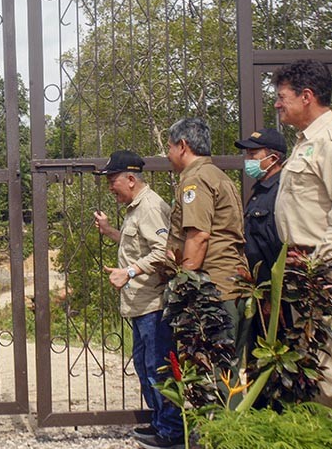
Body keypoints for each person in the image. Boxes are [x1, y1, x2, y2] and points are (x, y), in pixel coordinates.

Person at [272, 59, 332, 410]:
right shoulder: (306, 142)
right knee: (313, 357)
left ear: (307, 96)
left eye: (282, 97)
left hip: (324, 268)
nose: (278, 104)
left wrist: (317, 261)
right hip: (305, 266)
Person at [93, 151, 181, 449]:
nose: (109, 187)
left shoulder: (151, 207)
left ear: (131, 179)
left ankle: (171, 432)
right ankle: (160, 423)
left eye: (112, 180)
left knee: (158, 367)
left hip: (153, 304)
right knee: (146, 366)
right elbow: (139, 245)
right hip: (140, 304)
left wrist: (128, 272)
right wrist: (109, 232)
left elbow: (163, 252)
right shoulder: (135, 208)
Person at [165, 118, 249, 362]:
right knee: (229, 373)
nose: (168, 155)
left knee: (216, 375)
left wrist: (184, 287)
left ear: (182, 146)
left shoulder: (196, 180)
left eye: (169, 148)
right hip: (231, 285)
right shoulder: (217, 175)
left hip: (214, 292)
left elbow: (198, 236)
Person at [235, 128, 286, 285]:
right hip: (257, 285)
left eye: (253, 154)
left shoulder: (281, 191)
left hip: (273, 286)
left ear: (273, 158)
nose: (248, 159)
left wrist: (272, 292)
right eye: (247, 154)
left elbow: (279, 245)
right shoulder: (260, 190)